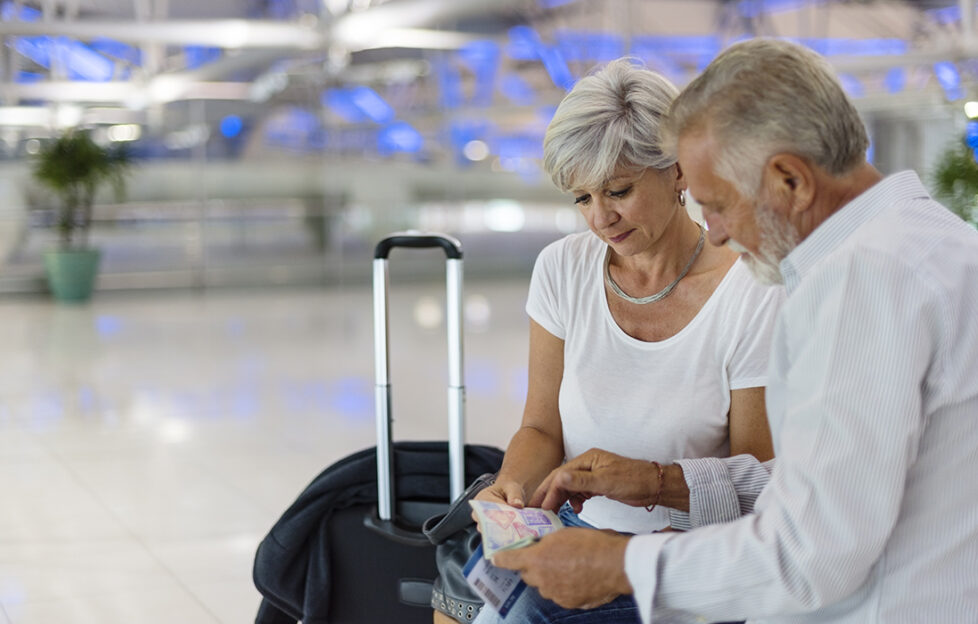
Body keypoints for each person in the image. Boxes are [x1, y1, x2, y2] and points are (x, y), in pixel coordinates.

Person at [492, 37, 978, 624]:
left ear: (790, 181)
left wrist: (624, 566)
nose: (716, 233)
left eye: (718, 204)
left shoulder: (859, 286)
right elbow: (818, 483)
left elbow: (806, 555)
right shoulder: (933, 242)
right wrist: (656, 481)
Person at [464, 57, 783, 624]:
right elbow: (541, 427)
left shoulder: (751, 290)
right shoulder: (563, 268)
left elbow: (757, 471)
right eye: (582, 198)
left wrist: (642, 544)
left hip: (676, 559)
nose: (600, 219)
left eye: (618, 190)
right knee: (459, 605)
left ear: (679, 170)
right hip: (567, 534)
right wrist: (510, 489)